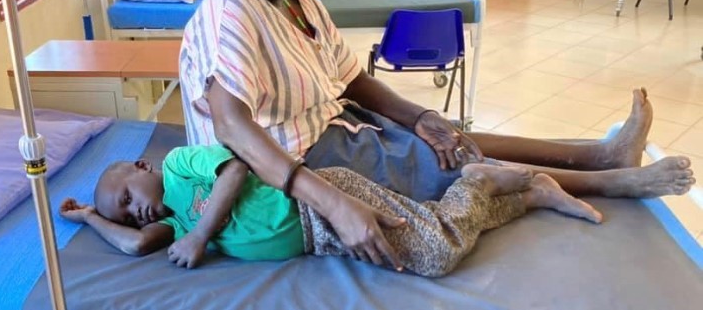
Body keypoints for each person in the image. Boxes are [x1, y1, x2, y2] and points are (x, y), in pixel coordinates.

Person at [178, 0, 695, 265]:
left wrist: (424, 115)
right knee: (451, 164)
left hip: (332, 122)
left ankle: (600, 153)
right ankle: (613, 180)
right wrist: (331, 200)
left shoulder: (300, 1)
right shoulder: (231, 13)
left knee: (451, 138)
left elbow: (352, 80)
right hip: (292, 158)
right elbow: (232, 128)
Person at [59, 145, 601, 275]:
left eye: (128, 197)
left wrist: (201, 234)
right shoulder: (168, 226)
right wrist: (90, 216)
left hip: (324, 203)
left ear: (142, 167)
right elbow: (134, 244)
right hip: (323, 240)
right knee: (434, 233)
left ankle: (479, 177)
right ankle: (530, 195)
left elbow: (239, 169)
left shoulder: (180, 164)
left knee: (436, 252)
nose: (135, 213)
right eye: (125, 213)